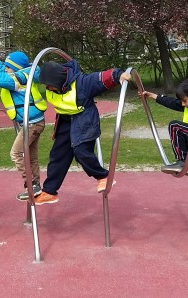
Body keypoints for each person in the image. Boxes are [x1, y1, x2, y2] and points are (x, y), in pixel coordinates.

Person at [33, 59, 131, 205]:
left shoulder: (82, 83)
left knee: (81, 151)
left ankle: (103, 176)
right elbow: (23, 75)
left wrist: (119, 75)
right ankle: (50, 191)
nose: (48, 88)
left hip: (84, 120)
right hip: (65, 122)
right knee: (57, 155)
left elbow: (103, 77)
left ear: (59, 81)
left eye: (50, 85)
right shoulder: (50, 85)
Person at [0, 51, 47, 201]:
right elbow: (4, 74)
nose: (5, 68)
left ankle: (30, 184)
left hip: (31, 124)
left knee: (16, 153)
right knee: (31, 156)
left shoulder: (20, 79)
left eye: (7, 66)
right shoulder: (23, 74)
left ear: (15, 67)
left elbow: (2, 79)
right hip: (35, 122)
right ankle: (35, 186)